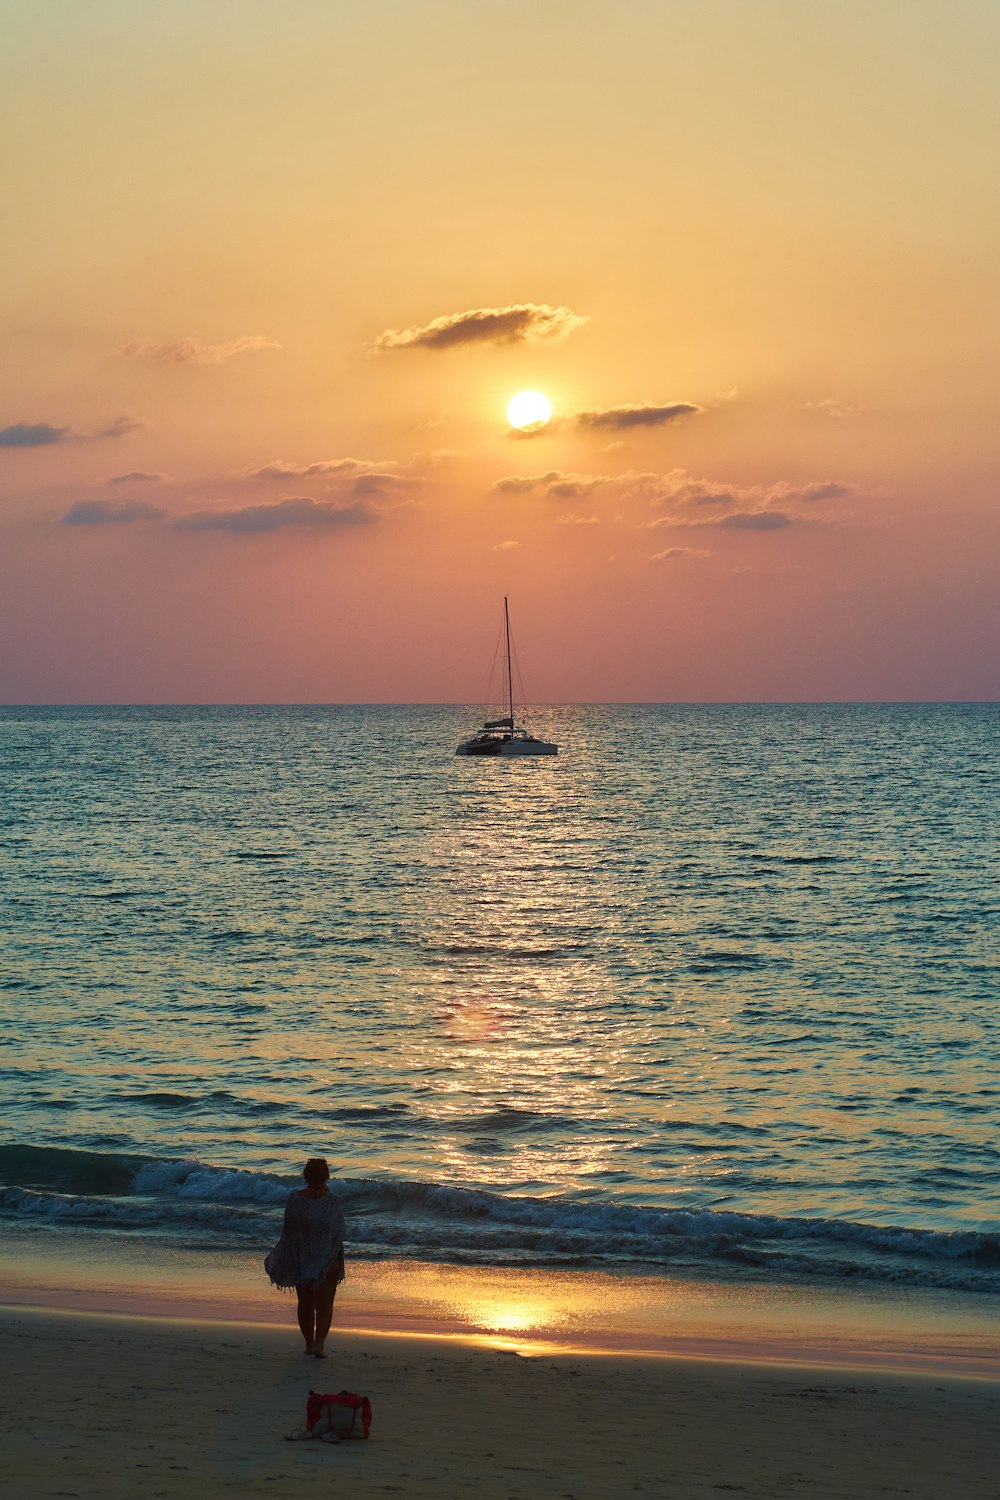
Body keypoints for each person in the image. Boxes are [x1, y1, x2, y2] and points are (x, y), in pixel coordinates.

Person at [265, 1157, 346, 1358]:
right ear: (326, 1177)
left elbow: (288, 1232)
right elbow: (338, 1233)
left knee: (305, 1303)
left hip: (301, 1258)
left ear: (305, 1176)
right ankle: (319, 1345)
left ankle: (309, 1344)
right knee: (325, 1304)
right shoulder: (332, 1201)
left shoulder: (295, 1199)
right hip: (328, 1261)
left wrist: (290, 1256)